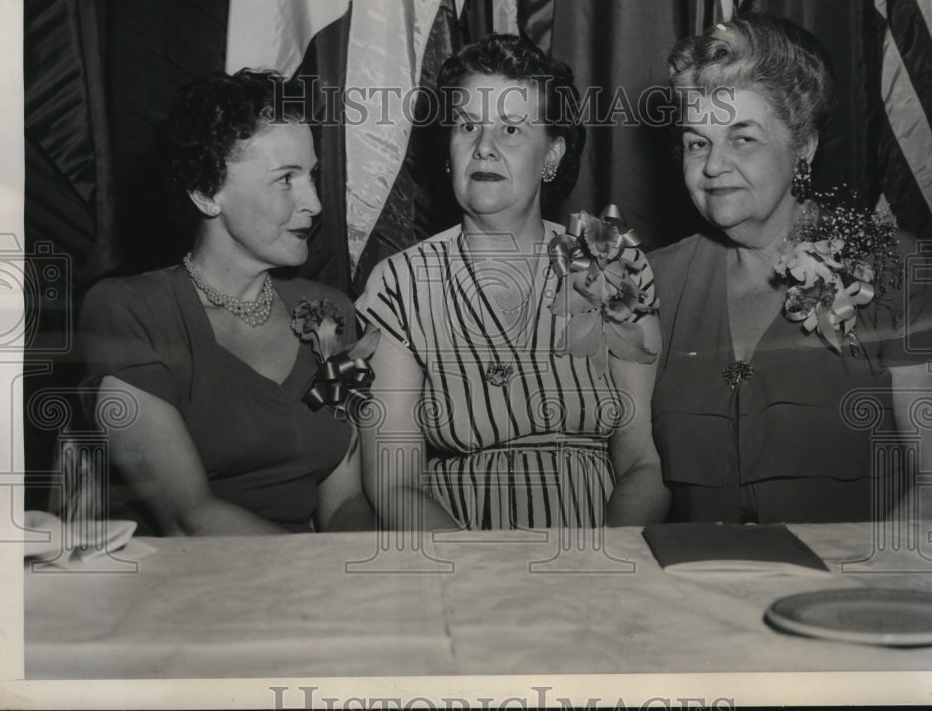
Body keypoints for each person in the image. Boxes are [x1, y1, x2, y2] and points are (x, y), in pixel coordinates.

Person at [650, 14, 932, 524]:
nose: (713, 165)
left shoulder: (894, 266)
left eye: (742, 138)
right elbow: (641, 475)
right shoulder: (656, 281)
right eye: (697, 142)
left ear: (803, 149)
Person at [355, 33, 669, 530]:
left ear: (552, 155)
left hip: (600, 547)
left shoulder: (613, 265)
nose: (484, 149)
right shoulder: (399, 284)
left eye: (511, 130)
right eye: (467, 126)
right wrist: (478, 568)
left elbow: (643, 462)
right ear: (448, 148)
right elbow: (395, 484)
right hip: (456, 550)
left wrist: (605, 558)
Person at [79, 69, 374, 535]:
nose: (315, 203)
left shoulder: (331, 313)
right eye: (286, 179)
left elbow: (345, 502)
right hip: (183, 575)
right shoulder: (129, 310)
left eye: (312, 175)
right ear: (206, 192)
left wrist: (371, 569)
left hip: (312, 576)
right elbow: (190, 518)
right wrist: (327, 572)